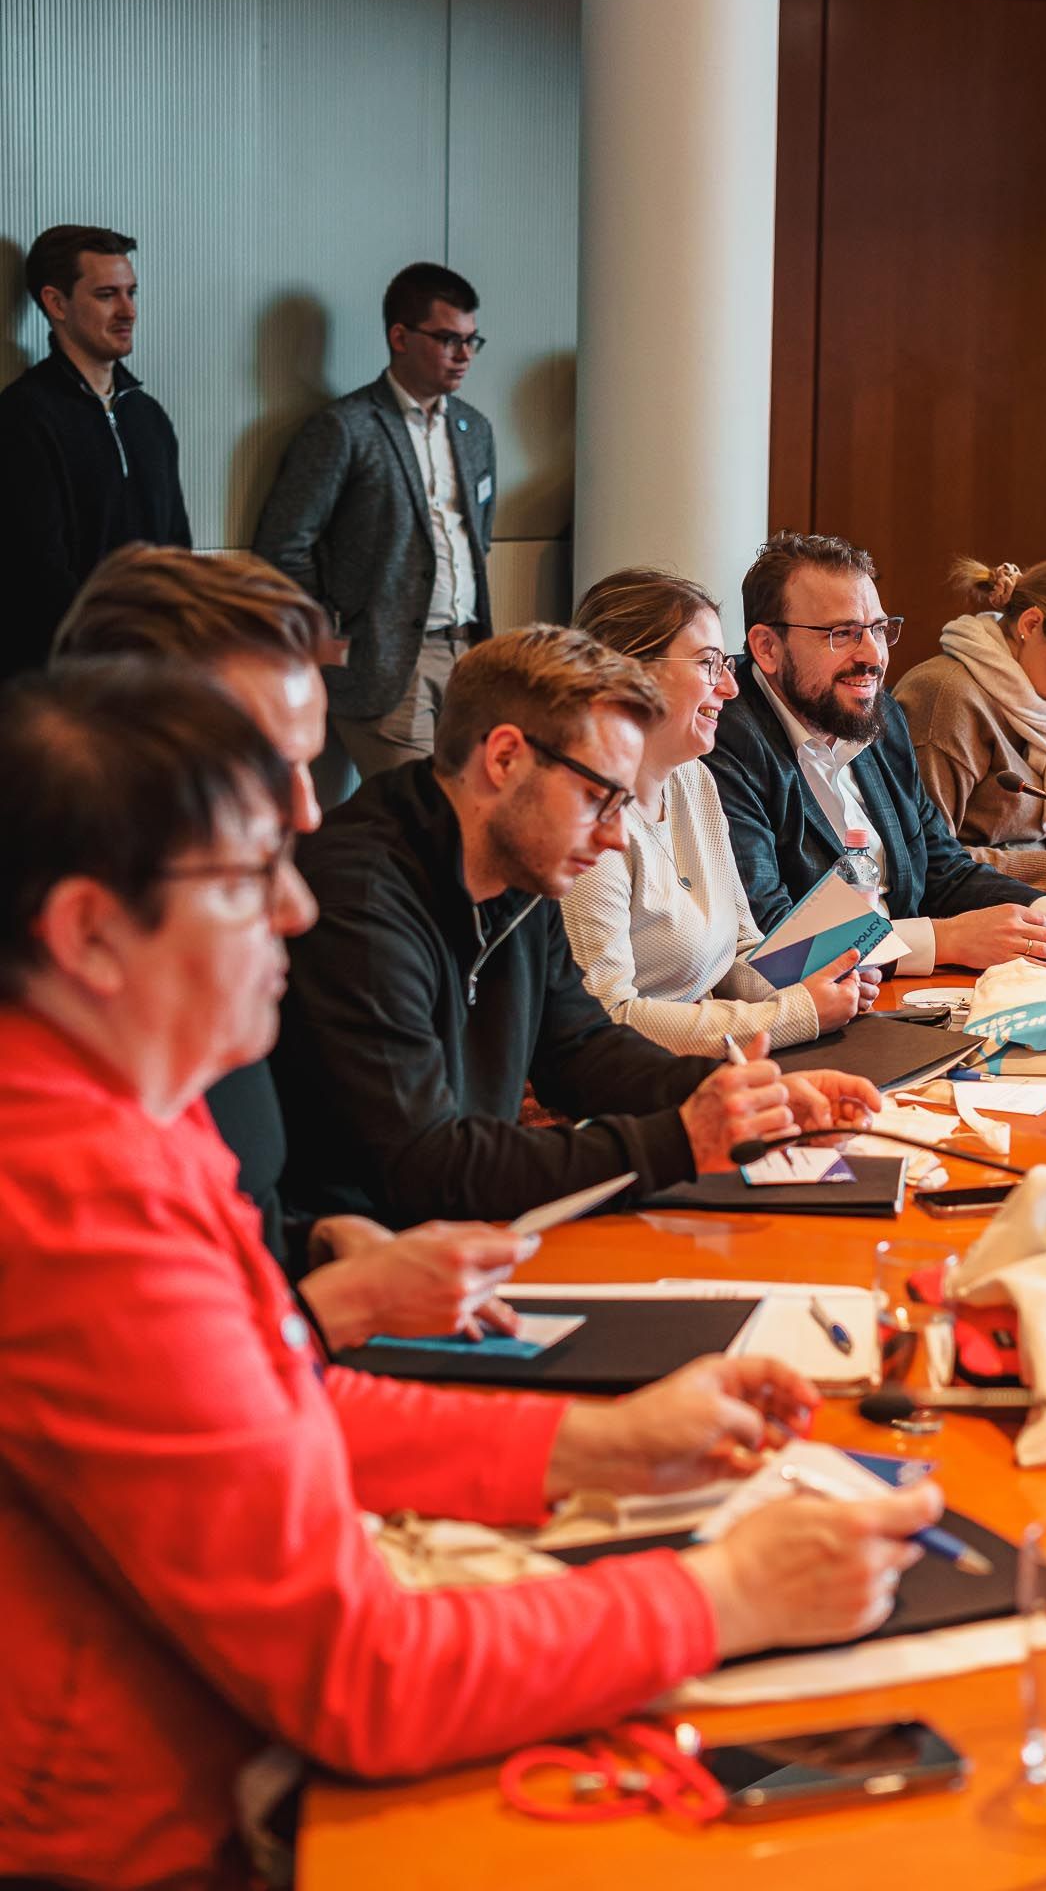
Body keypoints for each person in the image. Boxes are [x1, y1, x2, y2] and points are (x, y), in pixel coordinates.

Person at [0, 658, 942, 1889]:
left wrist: (596, 1449)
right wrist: (724, 1593)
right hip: (157, 1840)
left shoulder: (131, 1111)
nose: (295, 911)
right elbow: (364, 1679)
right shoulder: (70, 1196)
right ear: (88, 934)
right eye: (249, 881)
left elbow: (278, 1405)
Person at [53, 543, 531, 1350]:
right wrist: (337, 1308)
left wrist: (314, 1243)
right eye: (270, 767)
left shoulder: (209, 965)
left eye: (309, 766)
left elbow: (229, 1243)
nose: (308, 811)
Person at [272, 621, 882, 1230]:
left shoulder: (516, 860)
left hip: (461, 1236)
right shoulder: (360, 900)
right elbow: (426, 1166)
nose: (616, 835)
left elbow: (579, 1049)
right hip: (373, 1266)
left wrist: (740, 1099)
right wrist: (679, 1138)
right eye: (599, 799)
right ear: (505, 758)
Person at [705, 533, 1046, 973]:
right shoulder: (725, 738)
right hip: (809, 1017)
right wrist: (943, 941)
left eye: (879, 629)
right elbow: (772, 933)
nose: (873, 656)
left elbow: (943, 869)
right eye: (842, 633)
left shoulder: (874, 713)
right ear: (767, 647)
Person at [562, 567, 874, 1056]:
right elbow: (609, 1017)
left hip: (715, 1059)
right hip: (629, 1084)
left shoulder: (693, 780)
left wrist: (821, 980)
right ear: (630, 671)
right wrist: (794, 1013)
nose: (730, 687)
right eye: (710, 665)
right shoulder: (579, 817)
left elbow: (739, 954)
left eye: (726, 663)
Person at [253, 261, 496, 777]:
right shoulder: (345, 428)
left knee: (467, 821)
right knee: (414, 826)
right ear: (400, 336)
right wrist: (337, 632)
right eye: (448, 339)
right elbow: (283, 546)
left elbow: (479, 536)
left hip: (470, 656)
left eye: (472, 341)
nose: (464, 356)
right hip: (387, 664)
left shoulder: (474, 429)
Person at [0, 224, 190, 679]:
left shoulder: (148, 417)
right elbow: (37, 574)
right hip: (65, 687)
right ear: (56, 302)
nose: (128, 310)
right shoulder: (22, 417)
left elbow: (176, 552)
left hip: (153, 677)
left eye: (131, 292)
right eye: (107, 295)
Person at [893, 554, 1046, 890]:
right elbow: (924, 860)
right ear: (1030, 625)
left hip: (1032, 903)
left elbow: (1036, 838)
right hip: (971, 917)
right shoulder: (946, 696)